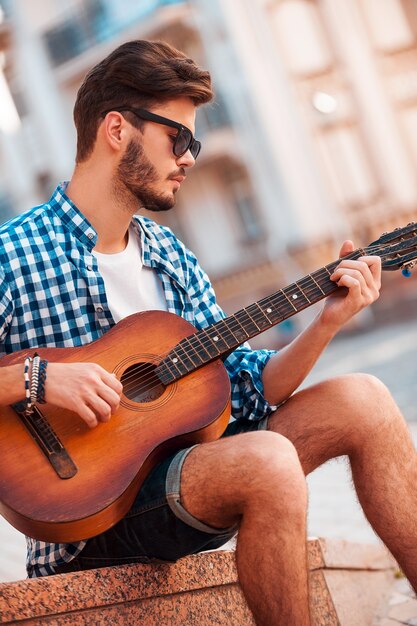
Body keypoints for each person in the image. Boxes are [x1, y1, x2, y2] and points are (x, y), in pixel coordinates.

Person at [0, 39, 416, 626]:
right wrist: (39, 380)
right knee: (267, 458)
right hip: (85, 521)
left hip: (191, 477)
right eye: (180, 138)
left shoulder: (172, 258)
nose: (191, 156)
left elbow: (249, 388)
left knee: (365, 399)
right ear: (116, 130)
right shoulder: (14, 254)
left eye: (194, 142)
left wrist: (328, 320)